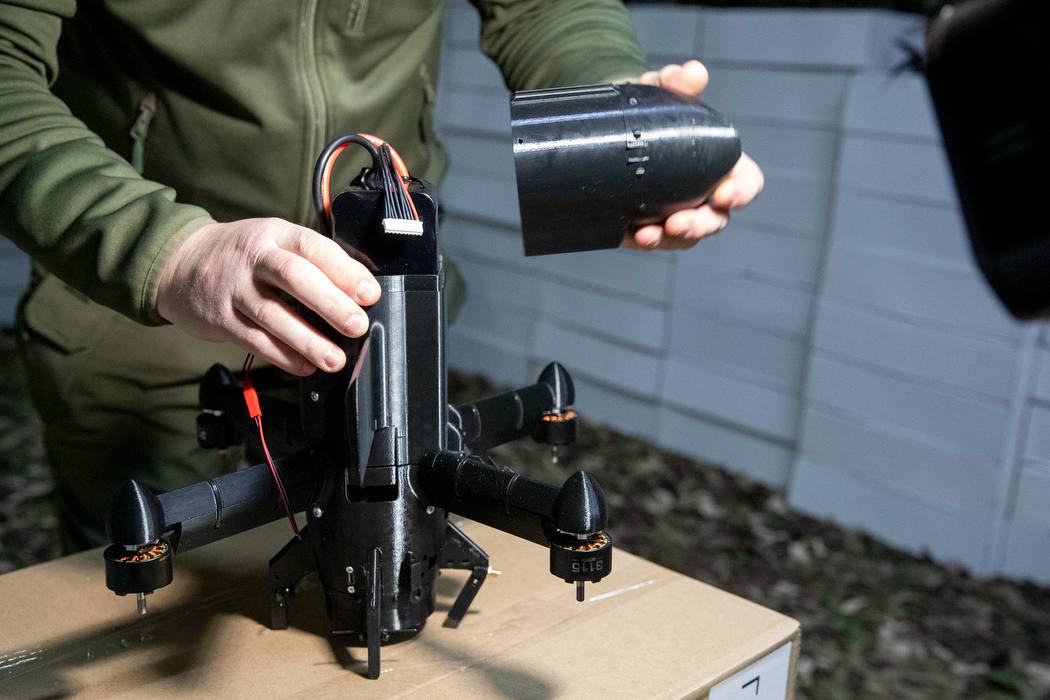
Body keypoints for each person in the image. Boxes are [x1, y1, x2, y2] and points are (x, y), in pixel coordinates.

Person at [0, 0, 764, 551]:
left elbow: (541, 9)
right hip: (147, 311)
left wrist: (616, 120)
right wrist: (167, 252)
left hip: (387, 310)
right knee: (149, 597)